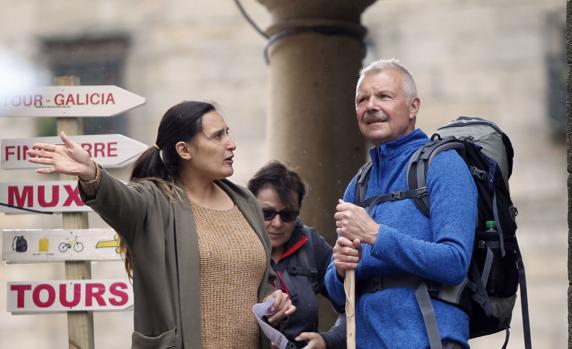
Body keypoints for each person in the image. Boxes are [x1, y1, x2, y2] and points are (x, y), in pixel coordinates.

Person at [27, 101, 295, 349]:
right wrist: (91, 173)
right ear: (184, 150)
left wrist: (273, 300)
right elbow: (118, 200)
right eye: (218, 136)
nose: (231, 144)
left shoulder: (245, 201)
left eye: (228, 133)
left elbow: (260, 280)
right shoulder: (154, 202)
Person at [323, 59, 478, 349]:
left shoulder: (444, 165)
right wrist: (340, 269)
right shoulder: (359, 183)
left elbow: (455, 261)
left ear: (413, 106)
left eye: (383, 96)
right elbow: (335, 291)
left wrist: (375, 235)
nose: (370, 106)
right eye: (362, 99)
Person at [248, 161, 346, 349]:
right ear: (250, 208)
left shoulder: (311, 244)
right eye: (267, 213)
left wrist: (328, 340)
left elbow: (356, 305)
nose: (277, 223)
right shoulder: (234, 248)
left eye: (288, 215)